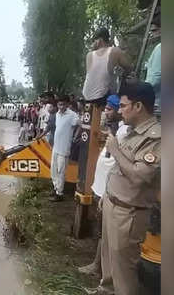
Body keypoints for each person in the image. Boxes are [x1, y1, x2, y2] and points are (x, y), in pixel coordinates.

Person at [92, 82, 160, 295]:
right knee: (110, 262)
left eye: (122, 106)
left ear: (138, 106)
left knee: (124, 271)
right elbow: (119, 170)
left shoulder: (156, 137)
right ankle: (105, 289)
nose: (119, 111)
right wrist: (107, 194)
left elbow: (139, 176)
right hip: (114, 203)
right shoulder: (132, 132)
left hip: (129, 214)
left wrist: (114, 149)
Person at [78, 94, 129, 278]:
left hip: (108, 191)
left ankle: (99, 267)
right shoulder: (114, 131)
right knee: (102, 231)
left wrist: (107, 191)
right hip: (101, 189)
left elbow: (119, 165)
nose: (105, 112)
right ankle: (100, 266)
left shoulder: (124, 133)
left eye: (109, 109)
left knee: (104, 232)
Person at [82, 27, 133, 102]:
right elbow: (129, 67)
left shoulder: (89, 55)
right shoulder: (115, 51)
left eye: (94, 40)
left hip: (86, 97)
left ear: (100, 40)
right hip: (104, 98)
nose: (93, 43)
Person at [49, 95, 79, 202]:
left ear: (67, 104)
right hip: (56, 147)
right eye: (59, 104)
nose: (61, 107)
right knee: (53, 170)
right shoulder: (57, 114)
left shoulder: (72, 115)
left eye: (63, 104)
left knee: (61, 171)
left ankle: (59, 194)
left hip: (64, 148)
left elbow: (79, 124)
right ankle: (56, 188)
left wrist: (75, 136)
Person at [145, 15, 161, 111]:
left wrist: (141, 88)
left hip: (158, 102)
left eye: (154, 30)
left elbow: (156, 78)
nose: (152, 34)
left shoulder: (160, 48)